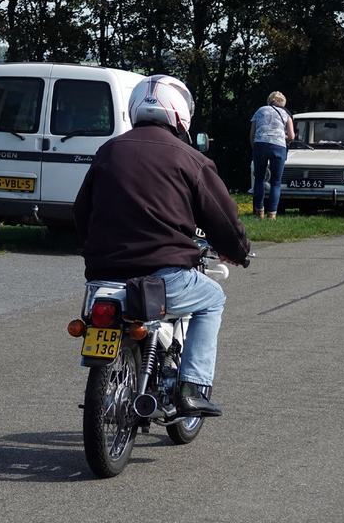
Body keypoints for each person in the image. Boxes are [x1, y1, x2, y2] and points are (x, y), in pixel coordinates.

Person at [73, 75, 251, 418]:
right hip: (162, 276)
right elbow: (223, 220)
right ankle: (192, 388)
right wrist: (239, 251)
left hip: (103, 278)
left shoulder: (109, 150)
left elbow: (81, 211)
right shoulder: (190, 158)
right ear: (180, 113)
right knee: (212, 299)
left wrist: (92, 248)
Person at [249, 91, 295, 219]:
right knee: (276, 182)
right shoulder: (286, 114)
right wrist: (281, 135)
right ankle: (272, 214)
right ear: (283, 102)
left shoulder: (260, 110)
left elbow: (252, 133)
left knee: (259, 179)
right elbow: (291, 136)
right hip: (278, 146)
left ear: (269, 100)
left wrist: (255, 147)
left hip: (260, 145)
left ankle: (259, 211)